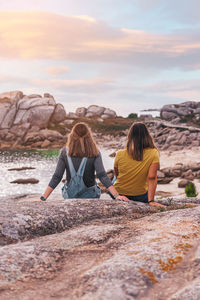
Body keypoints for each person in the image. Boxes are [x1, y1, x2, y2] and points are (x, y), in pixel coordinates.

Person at [40, 122, 129, 202]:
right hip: (90, 196)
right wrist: (116, 195)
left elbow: (57, 177)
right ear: (89, 136)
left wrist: (44, 197)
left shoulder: (65, 152)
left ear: (72, 135)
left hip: (70, 196)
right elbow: (102, 175)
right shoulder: (94, 151)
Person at [113, 122, 165, 208]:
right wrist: (151, 201)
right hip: (140, 196)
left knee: (114, 179)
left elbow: (117, 174)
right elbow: (152, 177)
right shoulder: (154, 153)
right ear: (147, 135)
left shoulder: (119, 153)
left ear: (130, 136)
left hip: (119, 193)